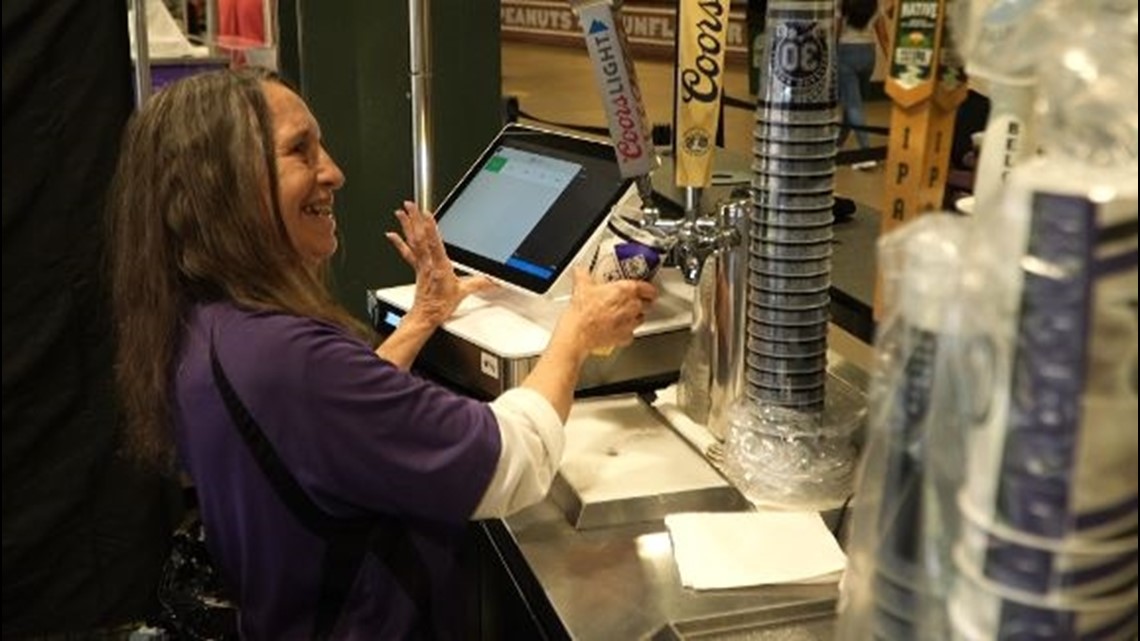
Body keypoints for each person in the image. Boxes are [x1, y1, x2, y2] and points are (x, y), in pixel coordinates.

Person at [105, 67, 658, 639]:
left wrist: (422, 318)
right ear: (222, 184)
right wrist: (576, 331)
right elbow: (512, 462)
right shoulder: (288, 359)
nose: (335, 173)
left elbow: (320, 432)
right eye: (301, 151)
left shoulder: (208, 323)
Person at [836, 0, 880, 158]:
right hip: (869, 52)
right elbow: (882, 32)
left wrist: (832, 53)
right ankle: (839, 141)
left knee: (853, 104)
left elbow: (837, 29)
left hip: (847, 51)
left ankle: (865, 152)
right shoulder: (874, 3)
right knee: (854, 100)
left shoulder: (843, 3)